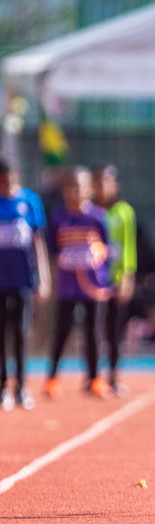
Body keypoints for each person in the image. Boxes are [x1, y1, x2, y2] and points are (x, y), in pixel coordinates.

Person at [44, 167, 112, 398]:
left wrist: (105, 279)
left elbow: (106, 249)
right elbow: (53, 253)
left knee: (93, 332)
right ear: (64, 190)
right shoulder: (57, 219)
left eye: (80, 187)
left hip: (93, 286)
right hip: (67, 286)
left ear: (89, 190)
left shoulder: (98, 218)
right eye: (70, 186)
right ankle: (51, 378)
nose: (75, 192)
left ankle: (94, 379)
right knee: (61, 331)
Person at [0, 161, 49, 411]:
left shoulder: (30, 201)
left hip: (23, 279)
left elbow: (38, 241)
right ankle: (2, 388)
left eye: (10, 179)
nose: (7, 185)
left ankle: (20, 387)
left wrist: (43, 276)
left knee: (20, 332)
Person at [92, 166, 136, 396]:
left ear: (115, 184)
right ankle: (93, 377)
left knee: (114, 330)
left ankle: (113, 376)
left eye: (105, 182)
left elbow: (128, 247)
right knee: (94, 329)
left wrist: (127, 278)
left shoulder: (124, 212)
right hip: (94, 282)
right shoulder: (89, 212)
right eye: (96, 182)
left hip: (116, 280)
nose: (101, 187)